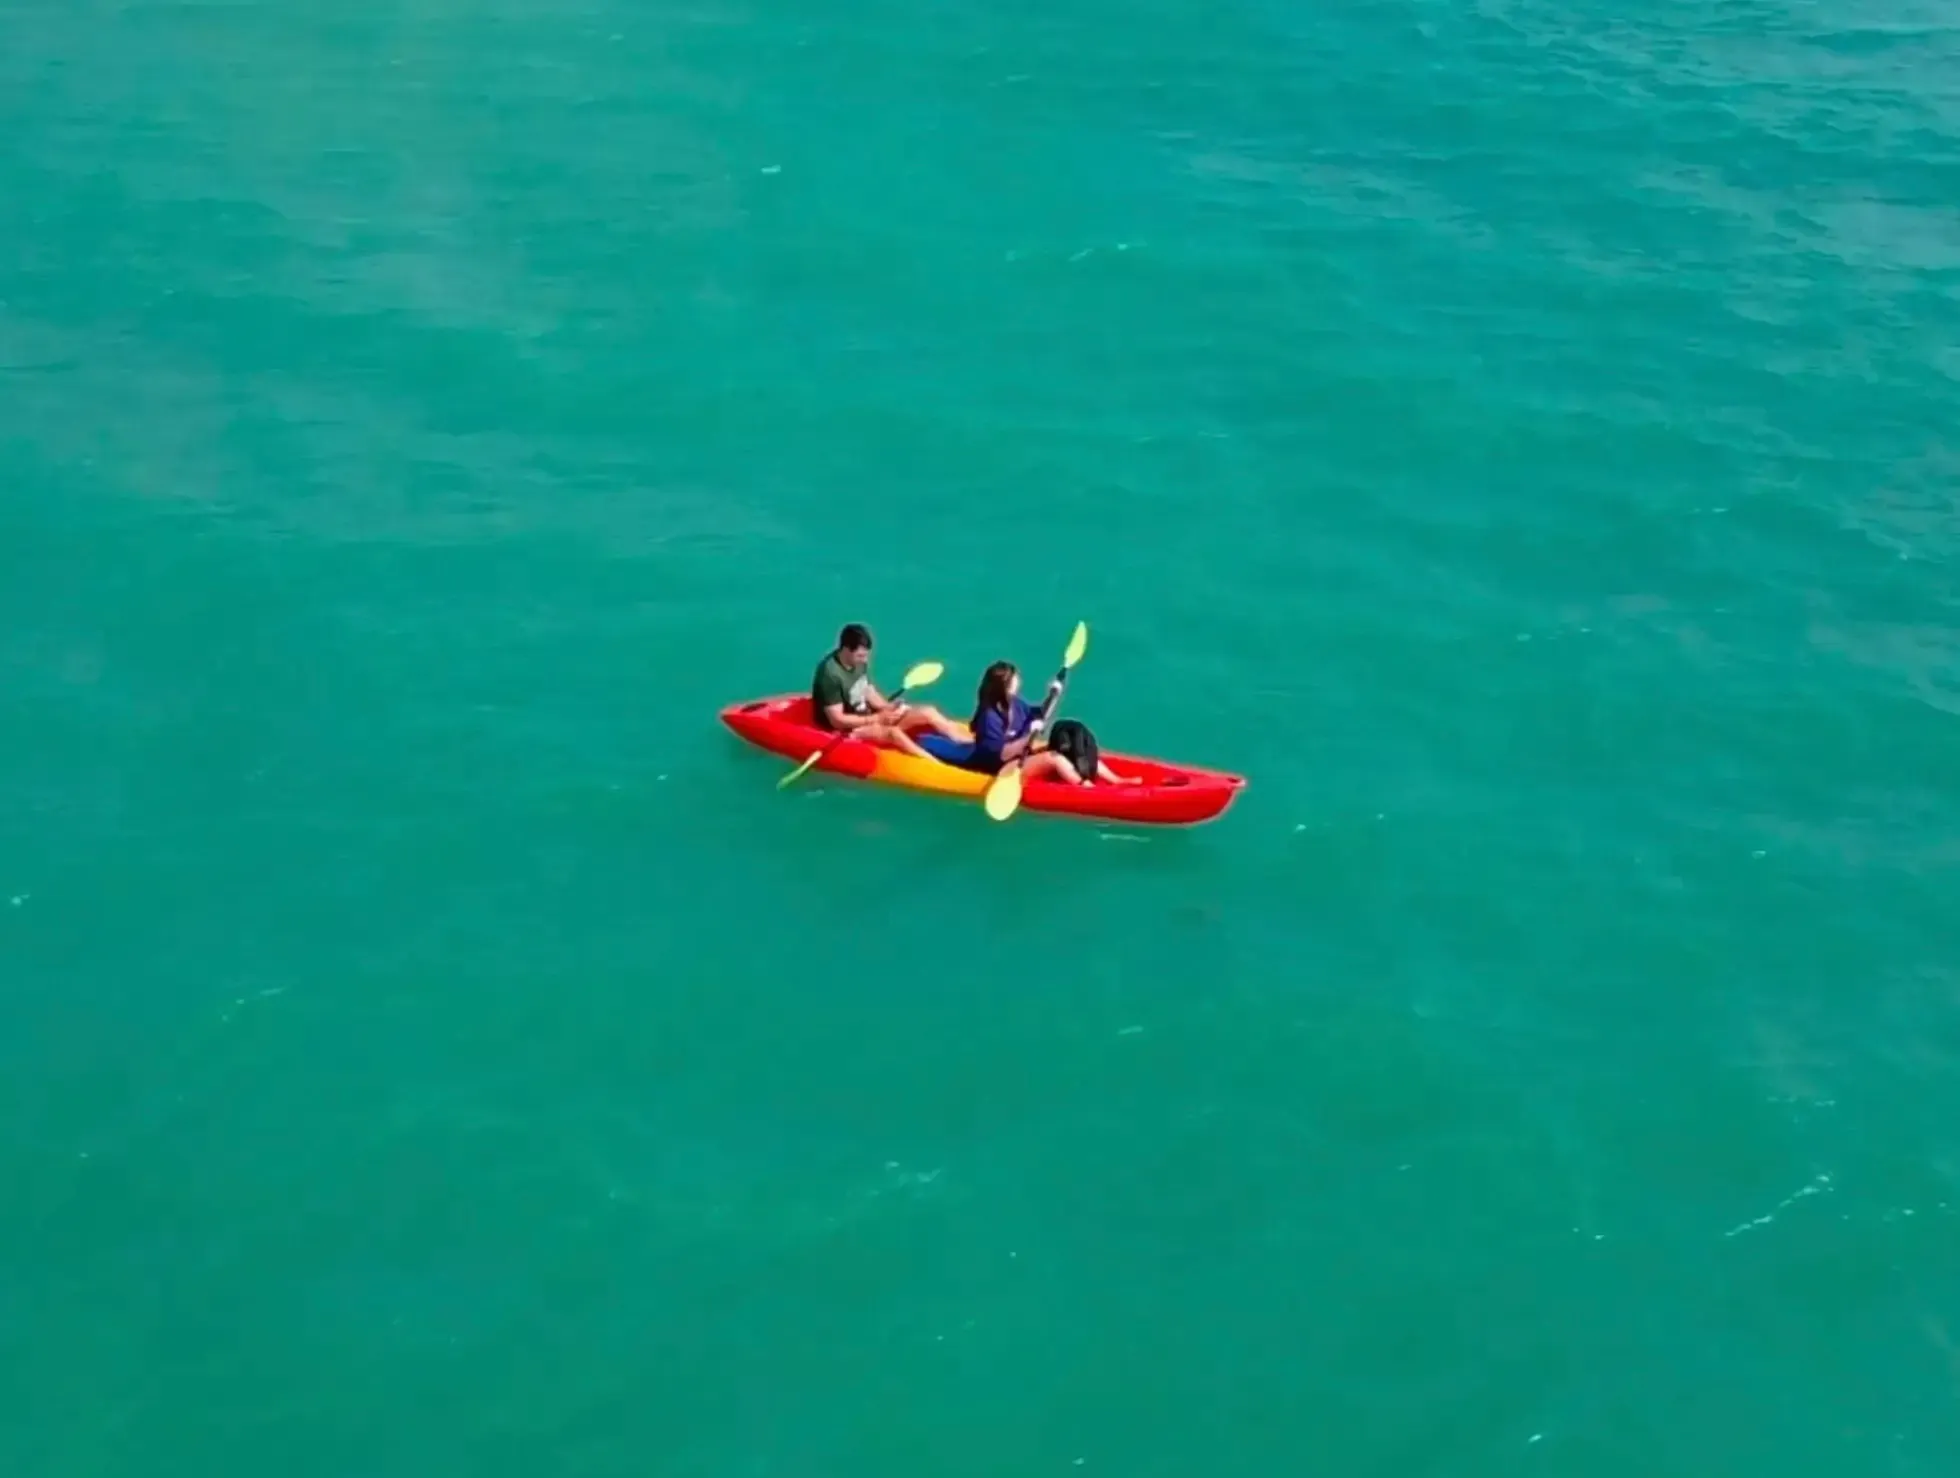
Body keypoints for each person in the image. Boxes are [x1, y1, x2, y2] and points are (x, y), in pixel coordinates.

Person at [954, 660, 1135, 785]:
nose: (1019, 682)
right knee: (1053, 759)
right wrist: (1028, 739)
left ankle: (1116, 780)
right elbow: (999, 755)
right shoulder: (989, 717)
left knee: (1068, 741)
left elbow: (1041, 714)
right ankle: (1086, 788)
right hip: (1000, 768)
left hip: (1019, 756)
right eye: (1015, 680)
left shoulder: (1015, 704)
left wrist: (1054, 694)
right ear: (1004, 686)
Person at [810, 622, 967, 757]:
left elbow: (867, 689)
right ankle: (936, 766)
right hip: (846, 730)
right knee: (893, 733)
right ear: (845, 649)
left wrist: (887, 707)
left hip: (868, 716)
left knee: (928, 711)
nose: (865, 660)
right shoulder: (829, 675)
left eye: (866, 655)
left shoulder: (858, 662)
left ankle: (967, 742)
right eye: (860, 656)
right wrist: (877, 719)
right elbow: (837, 721)